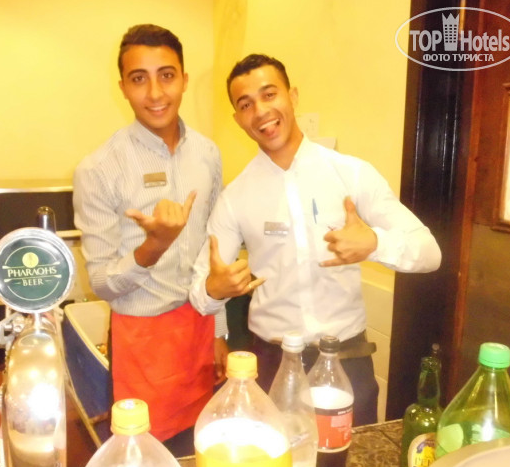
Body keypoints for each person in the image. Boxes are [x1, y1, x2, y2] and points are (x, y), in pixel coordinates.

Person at [189, 54, 442, 426]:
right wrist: (214, 288)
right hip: (272, 364)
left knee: (355, 460)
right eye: (246, 104)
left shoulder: (351, 174)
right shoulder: (235, 197)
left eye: (269, 94)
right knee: (276, 458)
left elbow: (430, 252)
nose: (260, 111)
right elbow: (200, 290)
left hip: (347, 359)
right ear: (238, 119)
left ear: (292, 96)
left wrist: (375, 243)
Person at [73, 24, 226, 456]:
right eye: (139, 78)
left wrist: (219, 329)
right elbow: (101, 284)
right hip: (142, 341)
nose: (155, 93)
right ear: (123, 86)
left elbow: (213, 248)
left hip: (200, 325)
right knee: (146, 460)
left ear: (184, 79)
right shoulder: (99, 169)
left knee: (202, 451)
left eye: (167, 75)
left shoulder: (208, 154)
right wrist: (152, 247)